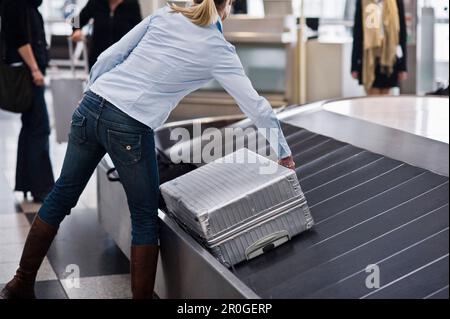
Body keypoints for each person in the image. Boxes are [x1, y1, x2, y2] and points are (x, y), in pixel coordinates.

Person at [0, 0, 295, 299]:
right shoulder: (218, 48)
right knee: (143, 217)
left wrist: (91, 90)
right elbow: (256, 107)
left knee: (62, 194)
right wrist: (283, 152)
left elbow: (110, 54)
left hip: (92, 105)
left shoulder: (166, 14)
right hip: (130, 123)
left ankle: (20, 283)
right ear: (228, 5)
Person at [1, 0, 54, 203]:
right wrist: (34, 68)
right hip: (27, 74)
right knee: (40, 128)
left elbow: (73, 16)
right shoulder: (17, 4)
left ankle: (28, 183)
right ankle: (42, 187)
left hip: (30, 71)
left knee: (31, 126)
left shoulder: (31, 5)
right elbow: (18, 37)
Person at [351, 0, 408, 95]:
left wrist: (403, 67)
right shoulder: (363, 2)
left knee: (386, 99)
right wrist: (354, 65)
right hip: (368, 58)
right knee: (372, 98)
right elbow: (357, 33)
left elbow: (402, 34)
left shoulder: (396, 2)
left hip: (389, 57)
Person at [71, 0, 142, 70]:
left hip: (123, 60)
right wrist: (77, 30)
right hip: (98, 59)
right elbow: (75, 20)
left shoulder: (132, 4)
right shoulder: (95, 2)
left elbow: (140, 30)